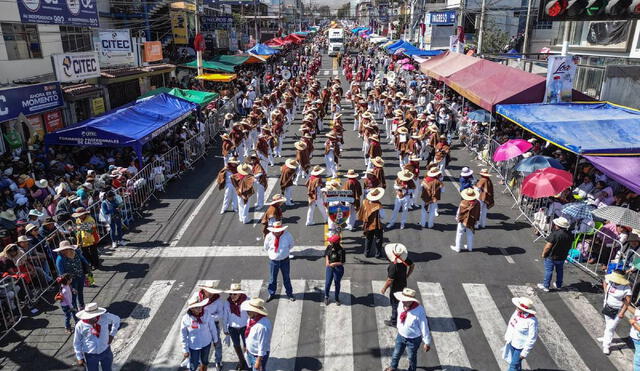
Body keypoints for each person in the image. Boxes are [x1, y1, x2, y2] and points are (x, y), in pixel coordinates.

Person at [384, 288, 432, 371]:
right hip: (401, 336)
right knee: (396, 353)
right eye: (403, 299)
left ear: (412, 301)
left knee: (411, 357)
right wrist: (399, 327)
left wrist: (427, 342)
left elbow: (424, 326)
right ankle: (393, 367)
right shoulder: (401, 304)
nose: (404, 302)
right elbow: (399, 317)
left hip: (413, 339)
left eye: (407, 300)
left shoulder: (419, 311)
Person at [73, 302, 121, 371]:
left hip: (105, 351)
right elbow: (77, 342)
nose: (91, 319)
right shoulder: (80, 325)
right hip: (90, 355)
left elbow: (117, 320)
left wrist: (112, 335)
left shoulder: (105, 317)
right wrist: (79, 357)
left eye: (93, 317)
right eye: (89, 317)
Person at [180, 295, 220, 371]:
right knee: (193, 364)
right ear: (191, 309)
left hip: (206, 343)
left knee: (205, 361)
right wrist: (185, 349)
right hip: (194, 345)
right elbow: (183, 335)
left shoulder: (207, 314)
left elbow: (212, 328)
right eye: (197, 307)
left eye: (200, 306)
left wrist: (215, 340)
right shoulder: (186, 319)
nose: (200, 309)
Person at [380, 243, 415, 327]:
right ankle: (400, 316)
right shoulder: (404, 259)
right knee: (400, 302)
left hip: (395, 287)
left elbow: (390, 280)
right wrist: (407, 275)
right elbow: (412, 265)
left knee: (394, 304)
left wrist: (384, 288)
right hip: (403, 284)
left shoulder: (393, 266)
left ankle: (394, 321)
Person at [537, 217, 572, 292]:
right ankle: (559, 284)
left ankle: (546, 286)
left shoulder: (555, 234)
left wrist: (543, 254)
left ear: (557, 225)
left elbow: (548, 246)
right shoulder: (570, 234)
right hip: (562, 256)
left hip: (552, 256)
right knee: (560, 271)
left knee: (549, 271)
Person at [503, 297, 538, 371]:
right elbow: (511, 324)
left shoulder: (532, 321)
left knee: (513, 366)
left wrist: (524, 353)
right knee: (516, 364)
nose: (516, 307)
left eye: (518, 306)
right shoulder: (517, 312)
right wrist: (507, 336)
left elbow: (532, 338)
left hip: (520, 347)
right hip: (512, 342)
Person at [263, 221, 295, 302]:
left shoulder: (287, 235)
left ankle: (289, 293)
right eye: (276, 231)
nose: (277, 233)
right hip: (273, 261)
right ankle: (271, 293)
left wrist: (283, 253)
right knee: (272, 279)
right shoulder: (269, 236)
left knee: (286, 277)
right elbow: (266, 247)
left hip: (285, 260)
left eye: (278, 231)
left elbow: (291, 245)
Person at [602, 270, 631, 355]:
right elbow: (605, 282)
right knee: (608, 325)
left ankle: (606, 345)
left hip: (617, 310)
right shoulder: (610, 281)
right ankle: (605, 337)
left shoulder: (626, 288)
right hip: (607, 306)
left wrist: (622, 312)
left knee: (610, 327)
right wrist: (605, 292)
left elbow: (627, 302)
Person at [54, 240, 89, 310]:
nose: (66, 250)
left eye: (67, 248)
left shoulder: (76, 253)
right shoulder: (60, 259)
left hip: (80, 275)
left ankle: (82, 306)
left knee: (80, 292)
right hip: (71, 281)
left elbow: (84, 261)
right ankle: (75, 310)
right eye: (64, 249)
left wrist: (86, 272)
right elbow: (62, 274)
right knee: (73, 296)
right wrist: (68, 284)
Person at [241, 298, 272, 371]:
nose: (247, 312)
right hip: (251, 352)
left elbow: (262, 345)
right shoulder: (251, 319)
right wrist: (247, 347)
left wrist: (258, 361)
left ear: (256, 311)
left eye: (249, 310)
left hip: (258, 356)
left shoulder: (262, 327)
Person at [224, 283, 250, 371]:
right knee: (236, 345)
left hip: (244, 327)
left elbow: (250, 315)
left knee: (247, 345)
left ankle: (248, 362)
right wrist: (225, 329)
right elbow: (225, 316)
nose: (232, 296)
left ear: (240, 293)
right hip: (232, 328)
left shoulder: (247, 300)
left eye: (234, 294)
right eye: (230, 294)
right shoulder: (227, 303)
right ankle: (242, 362)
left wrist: (250, 326)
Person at [358, 187, 386, 258]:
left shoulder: (365, 202)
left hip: (368, 224)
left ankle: (367, 253)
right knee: (378, 239)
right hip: (377, 225)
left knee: (368, 238)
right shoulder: (378, 205)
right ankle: (378, 254)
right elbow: (383, 216)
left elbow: (361, 212)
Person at [451, 188, 481, 253]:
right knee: (470, 233)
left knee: (459, 233)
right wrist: (477, 220)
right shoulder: (477, 203)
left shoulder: (463, 202)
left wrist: (457, 218)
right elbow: (478, 212)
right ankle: (470, 247)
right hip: (472, 220)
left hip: (463, 219)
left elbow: (459, 211)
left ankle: (457, 248)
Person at [324, 234, 346, 306]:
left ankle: (336, 298)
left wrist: (334, 264)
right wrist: (327, 261)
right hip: (330, 268)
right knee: (327, 283)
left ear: (336, 243)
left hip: (338, 269)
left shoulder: (341, 250)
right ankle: (326, 296)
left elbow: (342, 262)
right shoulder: (329, 247)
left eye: (332, 242)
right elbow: (327, 254)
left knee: (337, 283)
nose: (330, 243)